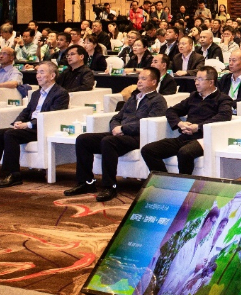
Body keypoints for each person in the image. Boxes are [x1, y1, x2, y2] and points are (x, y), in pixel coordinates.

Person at [65, 68, 167, 202]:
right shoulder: (133, 98)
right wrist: (115, 127)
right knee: (84, 139)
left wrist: (123, 128)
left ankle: (109, 186)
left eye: (143, 79)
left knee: (108, 141)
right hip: (120, 134)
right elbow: (116, 117)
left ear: (154, 82)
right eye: (139, 78)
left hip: (138, 137)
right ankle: (86, 182)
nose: (139, 82)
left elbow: (148, 123)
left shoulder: (158, 100)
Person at [0, 62, 69, 188]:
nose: (38, 75)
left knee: (11, 134)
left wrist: (28, 124)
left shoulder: (60, 93)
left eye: (42, 72)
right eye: (37, 72)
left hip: (44, 128)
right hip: (31, 127)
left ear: (52, 75)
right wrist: (18, 121)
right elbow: (27, 111)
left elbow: (53, 116)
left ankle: (13, 174)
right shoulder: (36, 93)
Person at [141, 66, 233, 175]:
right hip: (185, 137)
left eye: (200, 79)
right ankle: (164, 180)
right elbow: (171, 111)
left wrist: (198, 127)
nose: (196, 83)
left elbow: (224, 116)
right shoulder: (194, 96)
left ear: (211, 82)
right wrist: (180, 123)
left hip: (204, 139)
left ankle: (183, 183)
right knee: (148, 150)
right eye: (196, 79)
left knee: (185, 152)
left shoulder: (222, 99)